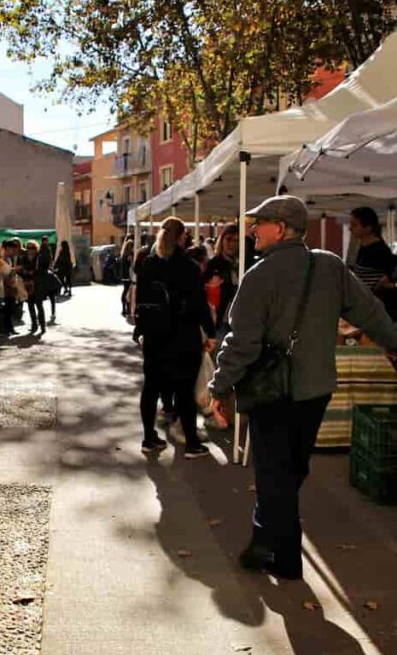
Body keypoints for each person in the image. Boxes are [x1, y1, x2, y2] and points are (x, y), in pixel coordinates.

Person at [210, 195, 397, 580]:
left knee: (275, 473)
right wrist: (395, 342)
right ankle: (276, 548)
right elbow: (370, 312)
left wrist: (219, 387)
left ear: (279, 228)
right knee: (291, 469)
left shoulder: (258, 276)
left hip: (270, 392)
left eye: (258, 223)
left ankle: (276, 547)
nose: (251, 230)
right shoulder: (328, 266)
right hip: (315, 391)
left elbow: (240, 343)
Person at [136, 217, 216, 458]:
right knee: (184, 390)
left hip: (154, 336)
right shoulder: (189, 267)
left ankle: (149, 437)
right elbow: (200, 306)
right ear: (182, 237)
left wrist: (140, 330)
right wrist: (210, 334)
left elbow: (140, 301)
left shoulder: (148, 264)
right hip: (183, 336)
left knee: (151, 388)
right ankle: (191, 442)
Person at [203, 223, 240, 339]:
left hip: (239, 320)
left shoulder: (242, 265)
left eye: (236, 240)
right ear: (222, 240)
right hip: (219, 322)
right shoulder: (212, 265)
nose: (232, 244)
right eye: (228, 239)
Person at [349, 206, 396, 292]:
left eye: (354, 225)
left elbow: (393, 268)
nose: (350, 228)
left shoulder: (380, 250)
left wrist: (388, 279)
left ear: (368, 227)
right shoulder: (362, 247)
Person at [18, 239, 49, 334]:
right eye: (29, 248)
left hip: (38, 284)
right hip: (28, 284)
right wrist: (24, 272)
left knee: (39, 305)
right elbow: (20, 270)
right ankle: (34, 324)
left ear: (36, 248)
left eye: (33, 248)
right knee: (30, 305)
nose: (31, 250)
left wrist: (34, 272)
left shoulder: (40, 258)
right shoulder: (24, 258)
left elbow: (45, 271)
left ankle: (43, 325)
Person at [120, 237, 134, 316]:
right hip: (127, 276)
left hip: (125, 275)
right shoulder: (128, 256)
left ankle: (125, 308)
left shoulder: (124, 255)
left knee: (126, 291)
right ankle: (126, 308)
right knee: (127, 292)